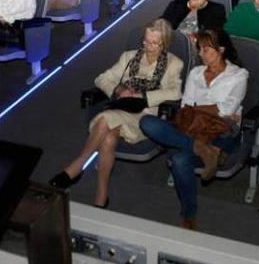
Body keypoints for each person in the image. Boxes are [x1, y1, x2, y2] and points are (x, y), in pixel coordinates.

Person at [50, 19, 184, 207]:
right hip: (122, 108)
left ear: (166, 42)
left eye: (155, 43)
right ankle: (101, 197)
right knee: (109, 139)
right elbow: (102, 78)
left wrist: (143, 96)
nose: (149, 47)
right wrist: (119, 91)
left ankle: (78, 166)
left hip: (145, 116)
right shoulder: (129, 57)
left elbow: (175, 92)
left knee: (105, 120)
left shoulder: (174, 64)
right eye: (146, 41)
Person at [139, 29, 248, 230]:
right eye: (199, 49)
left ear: (221, 50)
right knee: (147, 122)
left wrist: (200, 108)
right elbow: (185, 107)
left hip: (221, 134)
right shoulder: (195, 73)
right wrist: (213, 108)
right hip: (193, 130)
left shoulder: (239, 75)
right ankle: (203, 151)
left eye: (206, 49)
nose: (200, 54)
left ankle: (188, 215)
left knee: (180, 159)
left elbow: (226, 110)